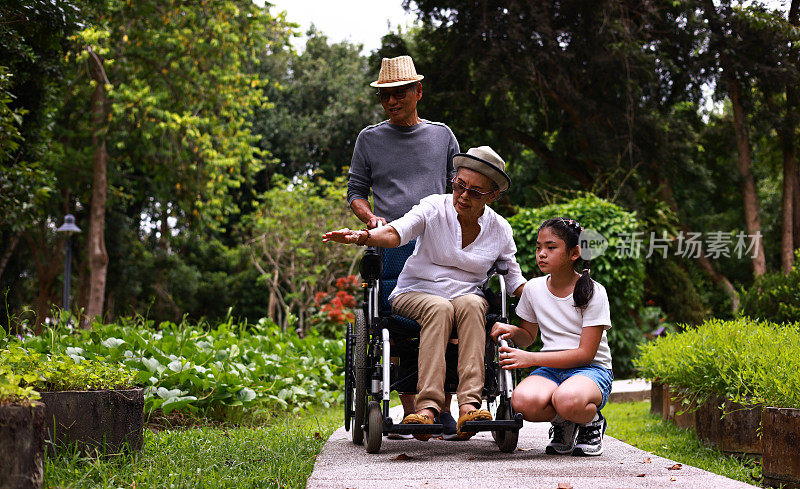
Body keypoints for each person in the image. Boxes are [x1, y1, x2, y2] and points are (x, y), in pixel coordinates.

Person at [326, 146, 526, 440]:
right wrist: (364, 236)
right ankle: (428, 408)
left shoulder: (500, 229)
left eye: (475, 192)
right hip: (415, 292)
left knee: (474, 303)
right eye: (460, 185)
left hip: (464, 299)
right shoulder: (434, 207)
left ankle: (470, 405)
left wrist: (550, 295)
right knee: (440, 308)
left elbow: (514, 279)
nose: (464, 195)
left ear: (492, 196)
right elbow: (397, 232)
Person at [347, 55, 460, 438]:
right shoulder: (370, 139)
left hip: (438, 241)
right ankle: (414, 412)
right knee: (392, 321)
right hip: (392, 242)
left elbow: (458, 188)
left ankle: (440, 405)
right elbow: (356, 192)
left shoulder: (442, 135)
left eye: (399, 93)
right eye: (385, 97)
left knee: (447, 309)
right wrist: (370, 219)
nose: (392, 102)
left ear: (418, 92)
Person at [490, 217, 613, 456]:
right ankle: (565, 423)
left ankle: (591, 423)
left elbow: (585, 355)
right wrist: (515, 332)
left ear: (574, 253)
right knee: (522, 402)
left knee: (567, 399)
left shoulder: (593, 292)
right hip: (551, 370)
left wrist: (531, 359)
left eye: (551, 247)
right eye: (538, 247)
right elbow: (528, 336)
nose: (541, 254)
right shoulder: (534, 289)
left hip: (591, 370)